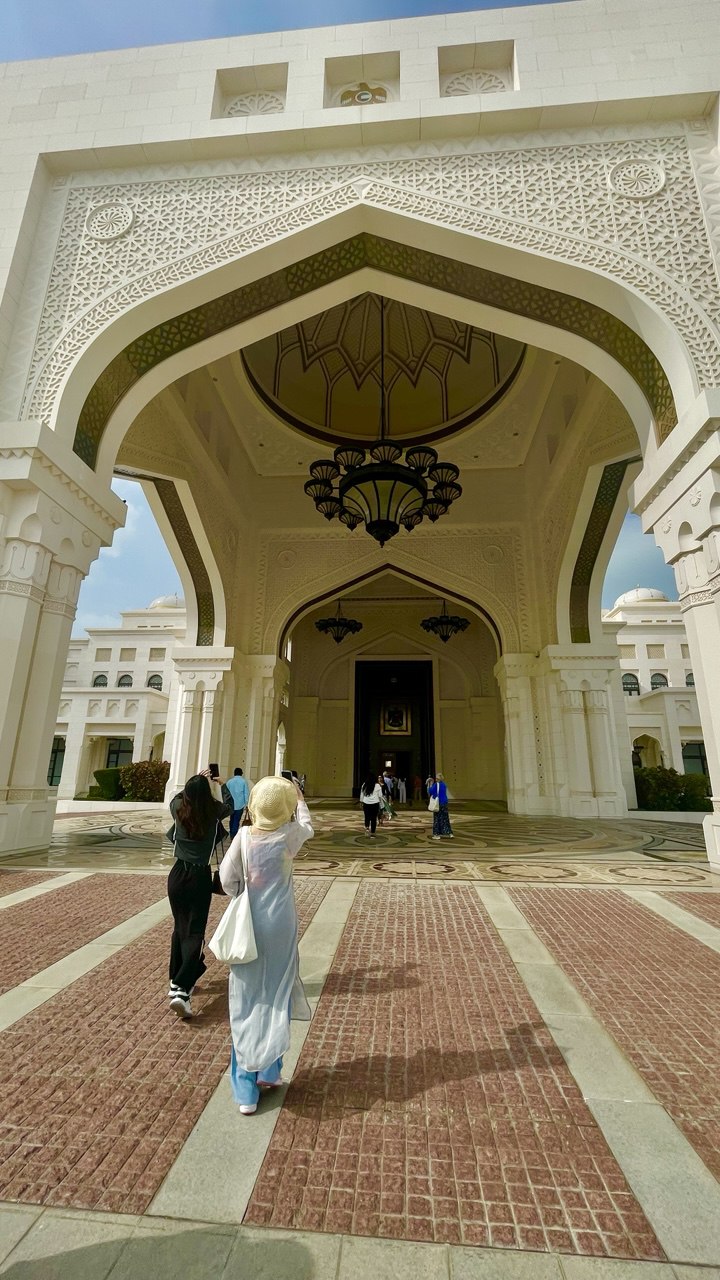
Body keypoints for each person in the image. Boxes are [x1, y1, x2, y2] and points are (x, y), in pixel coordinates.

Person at [219, 775, 313, 1116]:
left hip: (249, 926)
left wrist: (246, 893)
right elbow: (306, 825)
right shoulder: (289, 838)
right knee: (276, 993)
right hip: (281, 926)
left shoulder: (243, 837)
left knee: (246, 998)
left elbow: (227, 882)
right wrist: (300, 798)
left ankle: (245, 1085)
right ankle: (270, 1070)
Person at [167, 769, 233, 1019]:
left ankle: (176, 980)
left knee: (180, 928)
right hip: (199, 877)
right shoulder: (213, 813)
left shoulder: (178, 809)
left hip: (176, 876)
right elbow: (230, 805)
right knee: (194, 932)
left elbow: (177, 797)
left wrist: (193, 781)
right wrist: (220, 783)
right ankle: (181, 991)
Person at [226, 767, 250, 839]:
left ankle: (231, 833)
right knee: (237, 819)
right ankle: (234, 834)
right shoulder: (243, 782)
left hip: (231, 804)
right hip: (240, 804)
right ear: (241, 773)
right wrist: (247, 803)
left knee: (232, 819)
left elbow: (226, 793)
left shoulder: (229, 782)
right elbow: (246, 793)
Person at [429, 771, 453, 840]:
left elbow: (430, 791)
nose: (436, 779)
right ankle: (449, 833)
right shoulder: (444, 785)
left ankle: (436, 834)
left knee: (437, 819)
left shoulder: (436, 785)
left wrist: (430, 785)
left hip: (438, 804)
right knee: (445, 818)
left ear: (438, 779)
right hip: (444, 803)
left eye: (436, 778)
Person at [359, 771, 384, 836]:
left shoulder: (364, 785)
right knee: (373, 818)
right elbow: (380, 795)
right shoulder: (377, 785)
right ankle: (373, 832)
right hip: (375, 803)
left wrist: (361, 802)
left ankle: (367, 828)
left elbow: (362, 795)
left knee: (367, 816)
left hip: (366, 803)